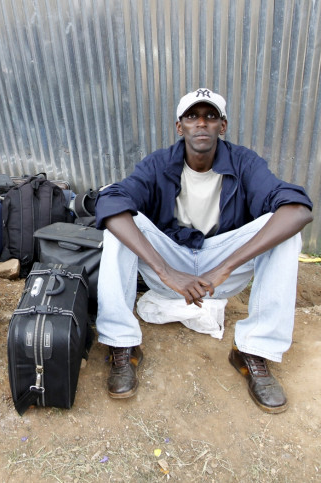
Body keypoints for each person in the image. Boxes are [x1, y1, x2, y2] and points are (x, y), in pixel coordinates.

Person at [94, 88, 313, 413]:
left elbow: (299, 209)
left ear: (222, 127)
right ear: (180, 127)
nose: (201, 124)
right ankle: (122, 344)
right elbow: (110, 200)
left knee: (285, 225)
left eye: (210, 117)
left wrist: (223, 268)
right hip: (169, 270)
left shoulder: (244, 162)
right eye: (192, 117)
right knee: (118, 218)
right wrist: (167, 271)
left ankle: (253, 350)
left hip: (221, 272)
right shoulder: (158, 164)